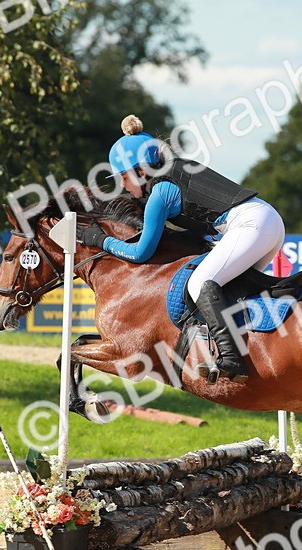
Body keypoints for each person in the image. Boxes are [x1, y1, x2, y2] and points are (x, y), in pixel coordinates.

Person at [79, 115, 286, 383]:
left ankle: (231, 358)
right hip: (267, 221)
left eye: (123, 177)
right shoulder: (177, 169)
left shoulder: (160, 193)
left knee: (200, 282)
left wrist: (101, 241)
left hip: (251, 225)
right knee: (229, 290)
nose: (124, 186)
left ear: (141, 171)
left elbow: (141, 253)